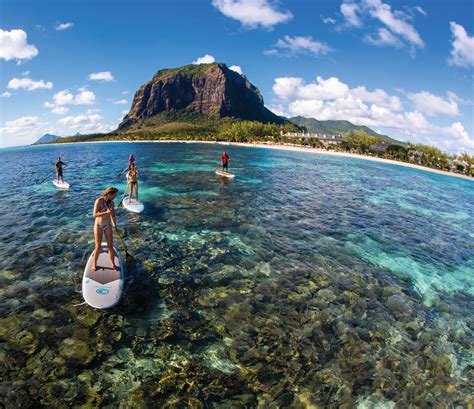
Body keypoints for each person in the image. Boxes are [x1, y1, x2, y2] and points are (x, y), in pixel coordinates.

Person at [92, 187, 119, 271]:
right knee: (98, 246)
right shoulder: (99, 200)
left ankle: (113, 264)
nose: (115, 197)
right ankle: (94, 264)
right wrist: (106, 212)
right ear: (109, 194)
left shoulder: (112, 203)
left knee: (110, 246)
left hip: (108, 225)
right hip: (98, 226)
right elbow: (94, 214)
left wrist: (115, 226)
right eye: (114, 195)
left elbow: (113, 215)